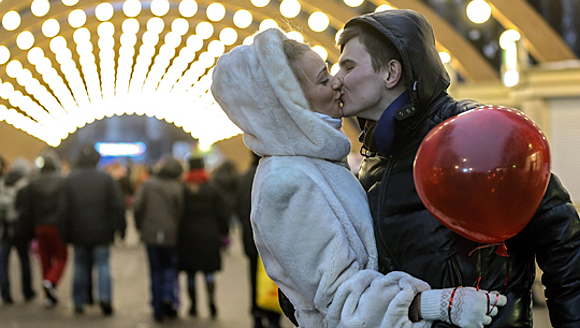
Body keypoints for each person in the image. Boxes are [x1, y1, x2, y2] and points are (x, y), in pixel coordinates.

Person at [212, 27, 505, 328]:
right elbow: (342, 298)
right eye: (324, 79)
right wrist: (439, 304)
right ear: (292, 105)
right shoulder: (285, 183)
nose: (338, 82)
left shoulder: (316, 165)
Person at [331, 9, 580, 327]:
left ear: (391, 73)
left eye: (348, 66)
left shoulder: (473, 134)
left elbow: (563, 243)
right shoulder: (374, 161)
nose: (336, 78)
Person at [59, 144, 126, 315]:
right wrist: (121, 229)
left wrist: (64, 233)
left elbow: (63, 209)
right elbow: (118, 206)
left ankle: (79, 301)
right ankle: (105, 298)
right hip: (103, 231)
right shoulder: (107, 179)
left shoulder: (70, 180)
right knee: (103, 265)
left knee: (80, 265)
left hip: (78, 231)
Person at [133, 155, 184, 322]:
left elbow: (138, 206)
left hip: (151, 234)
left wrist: (140, 226)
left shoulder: (147, 185)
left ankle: (157, 306)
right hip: (171, 235)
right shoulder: (177, 187)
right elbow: (180, 211)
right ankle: (168, 297)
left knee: (155, 271)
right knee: (169, 268)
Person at [177, 156, 229, 319]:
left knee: (190, 273)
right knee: (209, 272)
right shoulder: (213, 188)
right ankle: (211, 302)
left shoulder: (183, 188)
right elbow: (222, 213)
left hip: (188, 235)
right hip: (209, 234)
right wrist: (224, 233)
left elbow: (178, 213)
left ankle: (193, 306)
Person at [236, 152, 283, 328]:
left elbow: (238, 206)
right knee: (274, 277)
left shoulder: (245, 176)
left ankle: (256, 314)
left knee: (253, 276)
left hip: (250, 235)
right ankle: (273, 315)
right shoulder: (272, 173)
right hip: (271, 237)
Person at [20, 155, 67, 307]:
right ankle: (51, 281)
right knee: (61, 257)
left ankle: (48, 291)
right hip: (57, 226)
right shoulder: (62, 181)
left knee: (44, 259)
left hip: (39, 226)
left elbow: (28, 208)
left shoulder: (33, 183)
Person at [0, 157, 36, 305]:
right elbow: (29, 211)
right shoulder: (25, 185)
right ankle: (27, 291)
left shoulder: (3, 183)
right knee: (24, 260)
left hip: (4, 230)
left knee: (3, 262)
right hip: (20, 230)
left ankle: (5, 293)